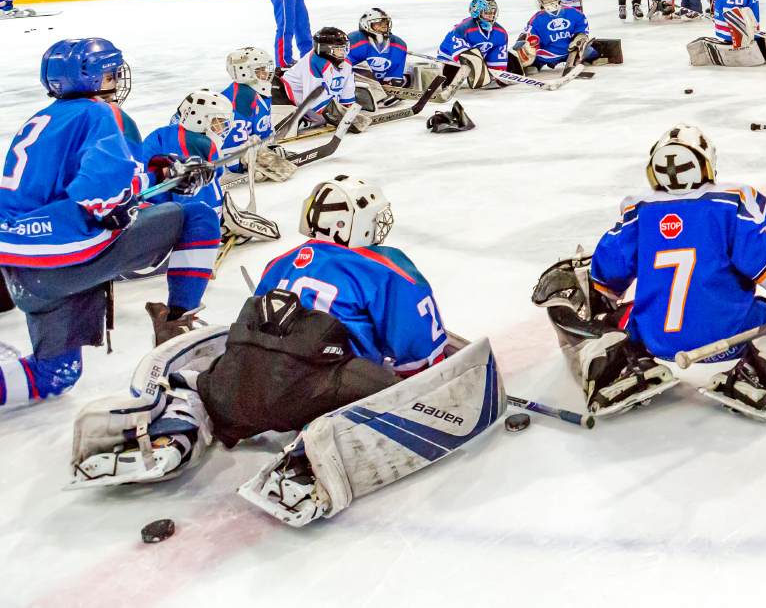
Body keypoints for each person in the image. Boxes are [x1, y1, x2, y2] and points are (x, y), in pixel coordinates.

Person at [67, 177, 498, 529]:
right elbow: (420, 360)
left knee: (208, 382)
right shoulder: (386, 265)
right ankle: (308, 456)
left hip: (238, 383)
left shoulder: (282, 261)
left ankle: (178, 425)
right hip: (317, 391)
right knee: (391, 391)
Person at [532, 127, 766, 421]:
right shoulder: (733, 203)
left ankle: (620, 363)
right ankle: (757, 368)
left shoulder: (638, 211)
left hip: (655, 340)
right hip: (735, 334)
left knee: (622, 318)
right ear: (708, 165)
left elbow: (604, 281)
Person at [0, 39, 217, 409]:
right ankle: (176, 324)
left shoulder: (44, 119)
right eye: (112, 72)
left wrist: (154, 172)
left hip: (20, 271)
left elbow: (75, 183)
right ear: (93, 77)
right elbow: (105, 196)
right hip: (66, 259)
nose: (117, 79)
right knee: (199, 216)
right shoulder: (101, 113)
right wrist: (162, 183)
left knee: (55, 374)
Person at [134, 90, 235, 334]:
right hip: (146, 239)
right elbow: (198, 207)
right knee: (203, 221)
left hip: (131, 214)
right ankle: (180, 315)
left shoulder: (165, 133)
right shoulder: (199, 144)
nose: (222, 130)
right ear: (199, 119)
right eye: (217, 122)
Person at [279, 26, 369, 131]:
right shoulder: (314, 63)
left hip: (320, 103)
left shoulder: (346, 63)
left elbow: (347, 88)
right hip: (296, 103)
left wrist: (347, 109)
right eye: (338, 49)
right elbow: (314, 98)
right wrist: (339, 118)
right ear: (324, 49)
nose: (342, 52)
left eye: (344, 48)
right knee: (322, 116)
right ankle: (298, 120)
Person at [436, 0, 510, 88]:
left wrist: (496, 73)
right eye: (487, 12)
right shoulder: (463, 28)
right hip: (449, 59)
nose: (491, 16)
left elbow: (497, 58)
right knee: (445, 82)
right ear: (476, 13)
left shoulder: (500, 33)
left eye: (493, 13)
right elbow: (461, 56)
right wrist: (478, 70)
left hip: (478, 60)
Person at [515, 0, 592, 73]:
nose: (550, 1)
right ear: (539, 2)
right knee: (532, 59)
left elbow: (581, 24)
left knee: (591, 52)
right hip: (550, 52)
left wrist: (579, 36)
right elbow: (529, 36)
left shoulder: (572, 12)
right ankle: (533, 65)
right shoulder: (537, 19)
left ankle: (601, 51)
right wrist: (523, 45)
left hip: (573, 49)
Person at [347, 7, 411, 96]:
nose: (384, 26)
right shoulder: (354, 40)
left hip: (380, 86)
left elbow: (395, 71)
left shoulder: (399, 45)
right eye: (378, 23)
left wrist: (390, 84)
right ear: (366, 24)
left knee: (398, 82)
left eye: (385, 23)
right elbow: (346, 69)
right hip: (356, 85)